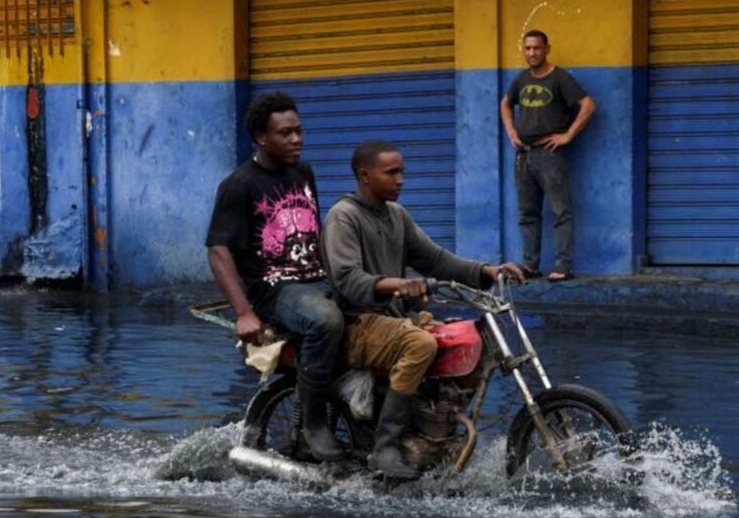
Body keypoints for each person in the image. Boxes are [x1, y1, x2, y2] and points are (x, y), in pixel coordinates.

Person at [323, 140, 525, 479]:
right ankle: (385, 446)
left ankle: (436, 429)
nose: (401, 179)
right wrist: (397, 285)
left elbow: (435, 260)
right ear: (364, 176)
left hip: (391, 319)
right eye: (392, 172)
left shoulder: (396, 215)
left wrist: (486, 271)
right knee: (420, 344)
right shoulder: (344, 216)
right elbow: (348, 279)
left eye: (402, 172)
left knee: (465, 337)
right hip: (356, 322)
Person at [205, 92, 345, 462]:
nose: (296, 139)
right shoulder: (239, 184)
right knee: (325, 321)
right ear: (260, 137)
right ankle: (315, 423)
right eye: (286, 133)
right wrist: (244, 312)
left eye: (299, 131)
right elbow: (218, 252)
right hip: (273, 290)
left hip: (315, 280)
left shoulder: (304, 172)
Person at [500, 29, 596, 282]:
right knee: (527, 213)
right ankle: (530, 265)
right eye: (527, 48)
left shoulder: (559, 78)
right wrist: (511, 131)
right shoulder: (521, 80)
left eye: (536, 48)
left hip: (549, 155)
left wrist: (567, 135)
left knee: (560, 211)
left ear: (547, 49)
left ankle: (563, 266)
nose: (532, 53)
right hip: (524, 155)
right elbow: (505, 103)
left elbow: (588, 105)